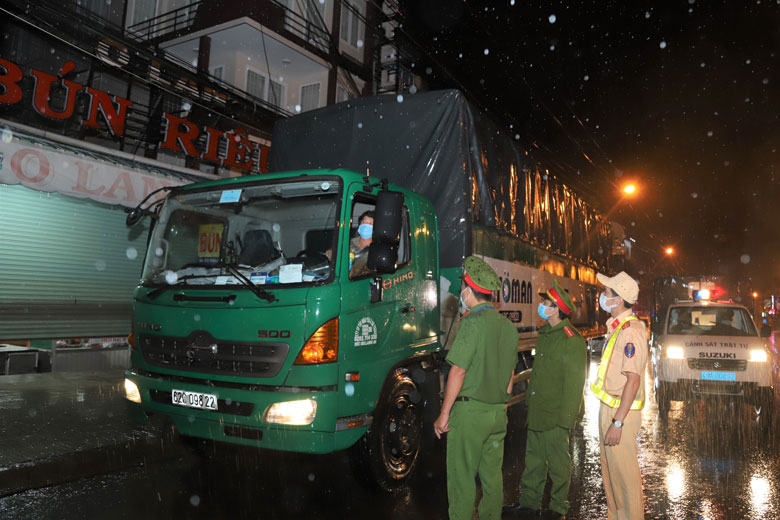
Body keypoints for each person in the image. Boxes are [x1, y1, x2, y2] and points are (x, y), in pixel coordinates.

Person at [433, 256, 519, 520]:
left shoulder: (471, 323)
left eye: (462, 289)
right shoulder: (508, 327)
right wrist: (503, 406)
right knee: (492, 479)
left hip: (470, 415)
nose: (461, 294)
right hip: (496, 415)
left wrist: (444, 414)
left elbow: (458, 371)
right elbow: (510, 373)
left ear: (468, 290)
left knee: (462, 480)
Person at [503, 279, 587, 520]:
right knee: (534, 462)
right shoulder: (547, 334)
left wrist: (566, 420)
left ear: (556, 309)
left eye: (545, 303)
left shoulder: (571, 340)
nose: (541, 306)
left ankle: (557, 508)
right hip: (539, 411)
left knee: (559, 466)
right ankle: (529, 505)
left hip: (556, 415)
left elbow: (574, 384)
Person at [591, 271, 647, 520]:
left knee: (625, 482)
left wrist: (618, 422)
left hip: (620, 415)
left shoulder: (631, 332)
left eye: (607, 293)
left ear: (619, 299)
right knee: (612, 479)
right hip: (611, 409)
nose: (602, 296)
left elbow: (633, 380)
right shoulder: (618, 328)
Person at [349, 210, 374, 276]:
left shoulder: (377, 248)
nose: (366, 226)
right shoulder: (350, 242)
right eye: (364, 222)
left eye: (370, 224)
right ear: (360, 224)